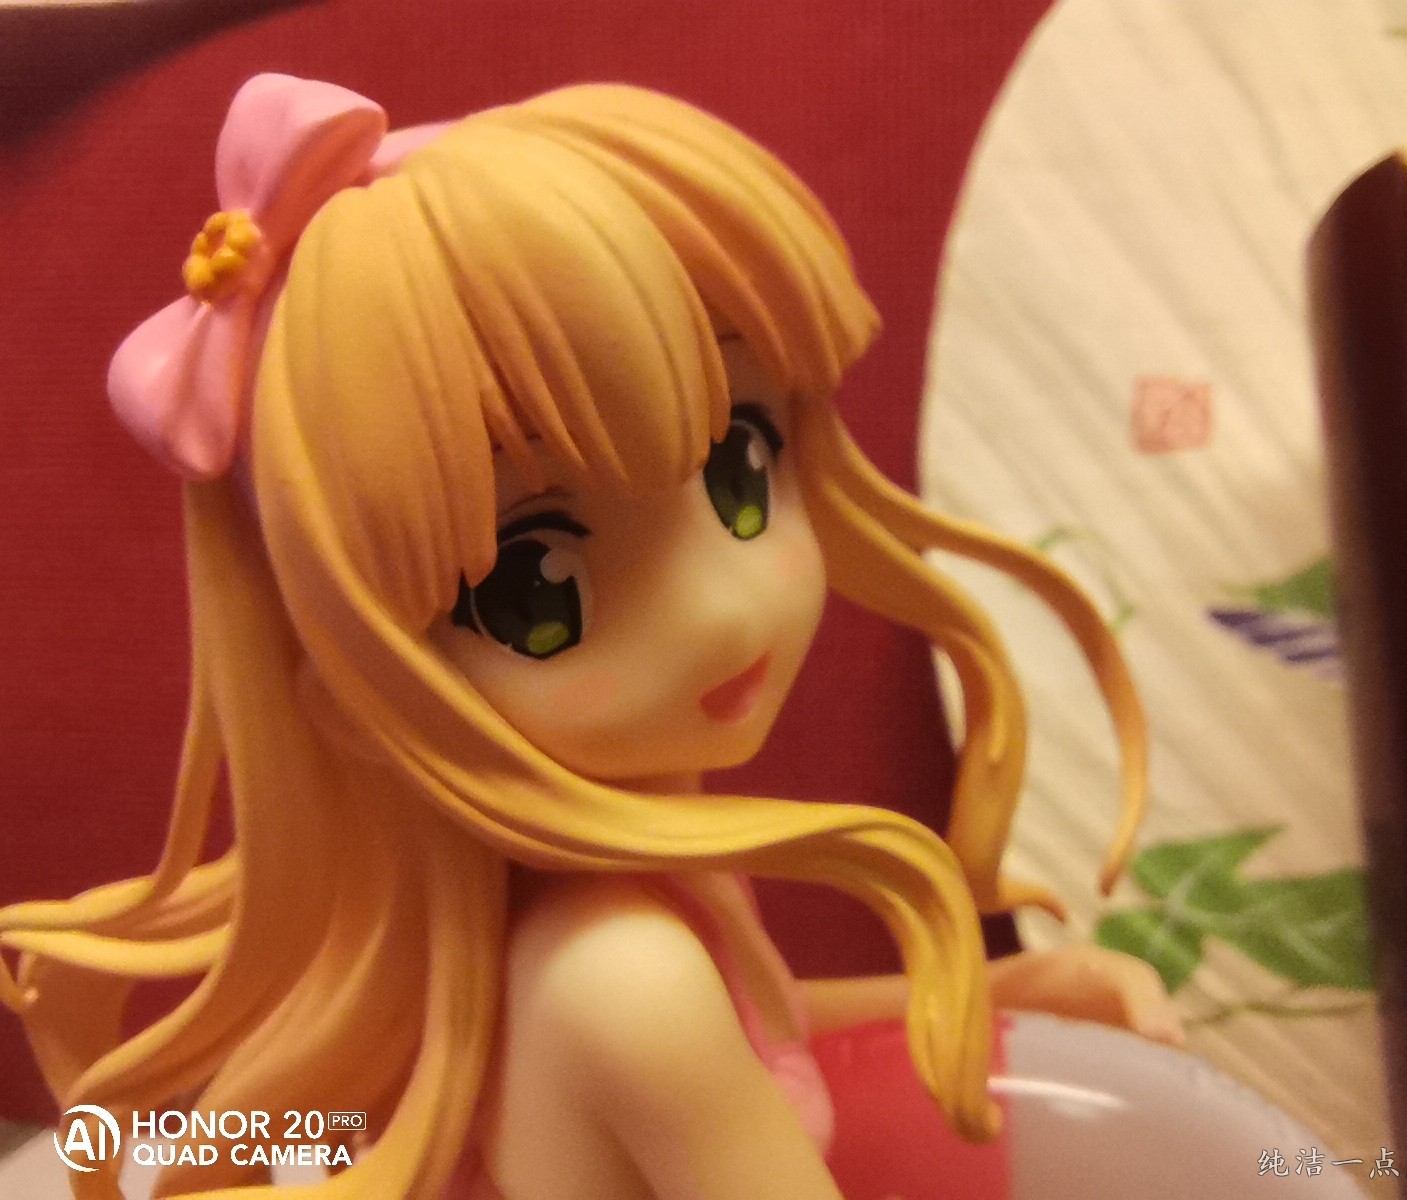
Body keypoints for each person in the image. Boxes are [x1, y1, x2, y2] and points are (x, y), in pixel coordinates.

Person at [0, 74, 1177, 1200]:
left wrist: (1005, 989)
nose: (720, 607)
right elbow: (683, 1051)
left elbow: (757, 1034)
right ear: (359, 698)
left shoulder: (636, 905)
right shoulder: (625, 983)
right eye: (537, 587)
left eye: (742, 468)